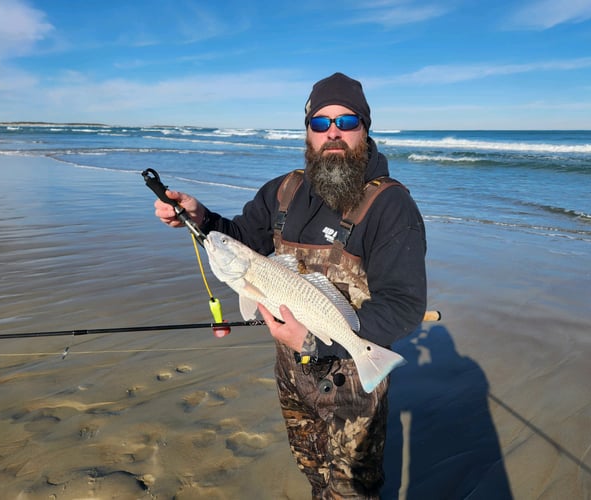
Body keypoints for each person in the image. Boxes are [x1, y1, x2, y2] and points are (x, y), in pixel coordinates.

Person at [154, 72, 427, 498]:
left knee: (351, 491)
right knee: (312, 471)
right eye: (320, 123)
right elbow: (241, 240)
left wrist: (322, 342)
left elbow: (404, 304)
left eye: (346, 121)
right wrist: (200, 218)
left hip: (352, 381)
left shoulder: (391, 206)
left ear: (365, 129)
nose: (332, 133)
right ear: (307, 132)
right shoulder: (283, 190)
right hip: (290, 372)